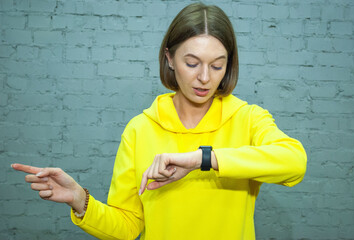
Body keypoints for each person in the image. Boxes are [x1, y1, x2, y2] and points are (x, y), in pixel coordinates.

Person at [12, 2, 307, 240]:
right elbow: (127, 227)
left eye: (217, 65)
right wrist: (80, 200)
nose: (205, 77)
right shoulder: (140, 130)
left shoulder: (248, 119)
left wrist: (202, 159)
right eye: (192, 63)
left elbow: (295, 162)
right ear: (169, 58)